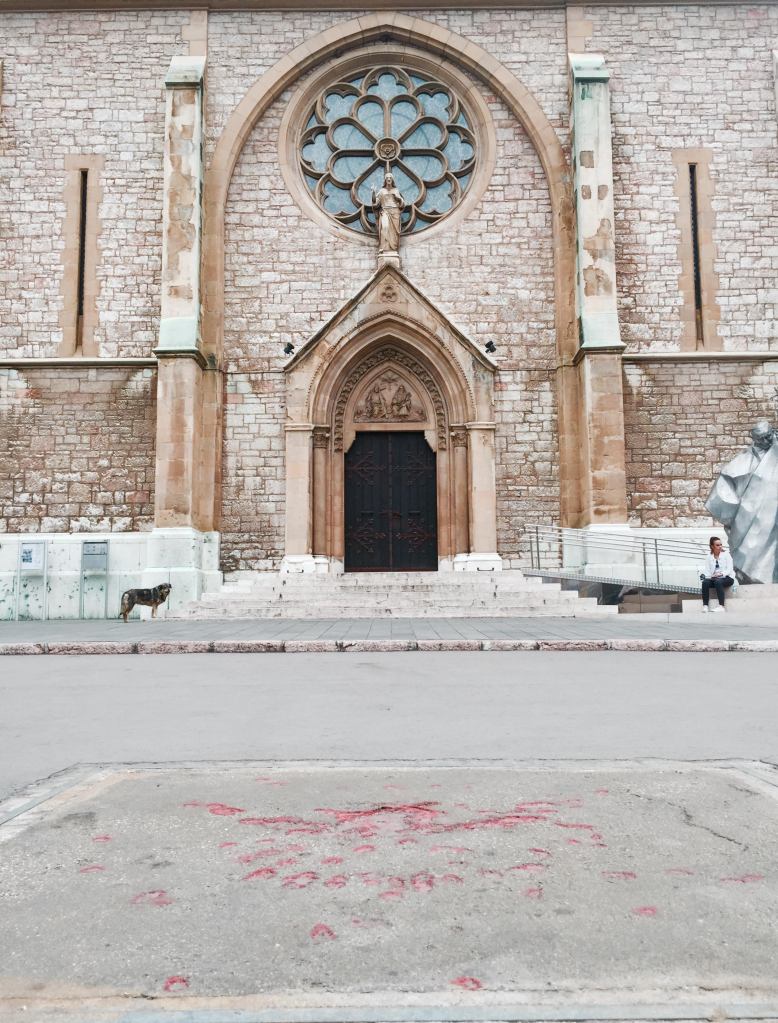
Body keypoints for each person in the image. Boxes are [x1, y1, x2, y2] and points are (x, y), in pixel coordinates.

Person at [705, 420, 778, 584]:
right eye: (762, 438)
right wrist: (729, 514)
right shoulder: (744, 460)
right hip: (747, 515)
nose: (767, 441)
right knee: (747, 550)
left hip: (772, 518)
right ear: (755, 439)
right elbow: (726, 482)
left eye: (769, 436)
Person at [372, 171, 405, 255]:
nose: (389, 179)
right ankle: (383, 248)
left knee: (394, 233)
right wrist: (373, 193)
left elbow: (402, 204)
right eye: (387, 178)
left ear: (392, 180)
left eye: (390, 178)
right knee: (385, 227)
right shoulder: (382, 191)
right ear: (385, 180)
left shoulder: (396, 190)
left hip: (395, 212)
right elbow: (375, 203)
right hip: (385, 211)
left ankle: (393, 248)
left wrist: (399, 199)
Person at [700, 536, 735, 612]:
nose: (720, 546)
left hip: (727, 578)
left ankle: (721, 606)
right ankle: (705, 605)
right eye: (717, 545)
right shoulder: (708, 557)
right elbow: (707, 571)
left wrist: (720, 574)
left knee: (718, 581)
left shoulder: (726, 555)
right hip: (714, 579)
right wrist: (709, 576)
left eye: (720, 544)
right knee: (705, 583)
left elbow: (729, 569)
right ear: (712, 546)